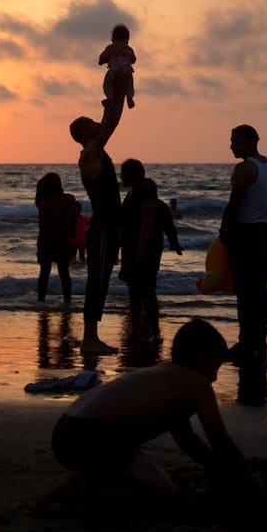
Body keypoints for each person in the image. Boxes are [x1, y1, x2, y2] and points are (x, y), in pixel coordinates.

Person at [48, 319, 257, 499]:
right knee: (165, 497)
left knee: (151, 483)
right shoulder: (197, 385)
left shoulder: (167, 376)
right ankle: (87, 489)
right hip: (92, 435)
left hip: (66, 432)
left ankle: (87, 475)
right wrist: (247, 480)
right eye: (215, 366)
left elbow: (186, 438)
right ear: (200, 359)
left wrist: (216, 470)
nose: (215, 377)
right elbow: (220, 440)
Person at [69, 70, 131, 354]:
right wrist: (118, 95)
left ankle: (91, 337)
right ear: (83, 134)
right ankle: (89, 339)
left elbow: (109, 122)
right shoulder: (90, 152)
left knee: (100, 282)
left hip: (107, 229)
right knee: (97, 282)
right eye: (89, 122)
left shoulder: (96, 151)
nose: (95, 123)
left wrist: (115, 99)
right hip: (102, 230)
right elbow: (112, 124)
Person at [221, 123, 267, 366]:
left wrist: (225, 231)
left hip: (244, 232)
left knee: (245, 293)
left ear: (252, 142)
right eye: (232, 141)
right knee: (259, 291)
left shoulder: (244, 169)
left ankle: (247, 343)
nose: (232, 146)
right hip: (262, 231)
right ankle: (259, 341)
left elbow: (234, 205)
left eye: (237, 141)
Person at [118, 164, 182, 335]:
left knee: (147, 290)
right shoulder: (131, 194)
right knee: (134, 291)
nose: (120, 177)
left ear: (130, 175)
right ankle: (137, 331)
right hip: (132, 247)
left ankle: (154, 331)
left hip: (145, 249)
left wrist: (140, 249)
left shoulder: (145, 194)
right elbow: (125, 224)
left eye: (122, 173)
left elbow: (147, 223)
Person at [35, 172, 80, 305]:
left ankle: (41, 300)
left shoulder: (45, 203)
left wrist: (40, 247)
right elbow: (74, 223)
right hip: (65, 242)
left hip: (48, 242)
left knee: (44, 273)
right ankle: (67, 301)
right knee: (65, 273)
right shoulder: (70, 199)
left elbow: (43, 227)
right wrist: (72, 240)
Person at [98, 23, 136, 109]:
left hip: (114, 71)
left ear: (113, 39)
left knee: (107, 84)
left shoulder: (111, 48)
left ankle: (110, 97)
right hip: (126, 71)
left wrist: (103, 61)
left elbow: (102, 58)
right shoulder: (129, 49)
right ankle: (130, 97)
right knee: (130, 84)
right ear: (127, 40)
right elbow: (134, 59)